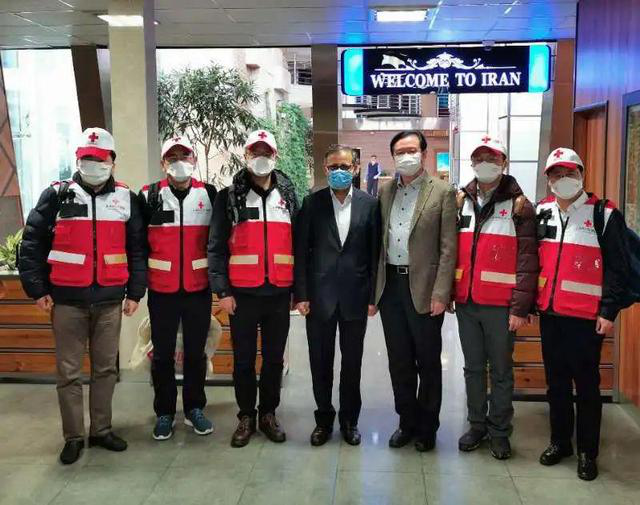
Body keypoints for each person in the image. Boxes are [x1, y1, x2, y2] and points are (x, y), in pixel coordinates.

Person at [18, 127, 146, 465]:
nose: (93, 164)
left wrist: (135, 293)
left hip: (109, 300)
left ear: (112, 161)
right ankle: (73, 436)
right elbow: (31, 244)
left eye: (99, 158)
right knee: (69, 372)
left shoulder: (126, 198)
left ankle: (101, 430)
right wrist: (37, 289)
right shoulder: (57, 195)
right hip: (66, 301)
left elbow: (137, 250)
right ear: (77, 159)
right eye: (86, 157)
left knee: (105, 369)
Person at [536, 148, 629, 481]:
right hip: (551, 314)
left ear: (582, 174)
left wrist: (609, 310)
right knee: (556, 384)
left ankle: (588, 452)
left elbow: (618, 268)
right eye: (556, 174)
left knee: (587, 386)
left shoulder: (604, 214)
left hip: (587, 318)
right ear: (548, 179)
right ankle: (560, 442)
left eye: (569, 173)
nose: (563, 179)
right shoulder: (541, 211)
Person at [208, 129, 298, 448]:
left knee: (274, 360)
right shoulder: (228, 197)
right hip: (242, 295)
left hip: (278, 294)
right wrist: (223, 292)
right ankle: (246, 415)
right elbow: (216, 247)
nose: (261, 157)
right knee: (244, 360)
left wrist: (298, 292)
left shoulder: (288, 196)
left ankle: (268, 414)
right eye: (255, 152)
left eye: (266, 152)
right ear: (245, 156)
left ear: (275, 156)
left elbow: (299, 245)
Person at [453, 136, 537, 460]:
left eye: (492, 158)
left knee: (501, 371)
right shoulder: (461, 200)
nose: (485, 164)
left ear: (504, 163)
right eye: (480, 158)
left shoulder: (520, 206)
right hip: (467, 302)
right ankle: (477, 425)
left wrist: (520, 307)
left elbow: (527, 261)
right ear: (472, 163)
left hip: (501, 307)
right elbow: (451, 250)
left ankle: (500, 431)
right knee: (473, 368)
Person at [374, 130, 457, 452]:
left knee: (428, 361)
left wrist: (441, 293)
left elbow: (448, 249)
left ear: (423, 154)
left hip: (425, 287)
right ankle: (406, 422)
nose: (406, 156)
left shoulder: (442, 192)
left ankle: (427, 427)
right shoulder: (384, 191)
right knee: (399, 361)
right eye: (400, 151)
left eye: (411, 150)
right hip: (391, 287)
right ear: (393, 156)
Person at [294, 144, 381, 447]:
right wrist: (301, 294)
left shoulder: (370, 205)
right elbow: (301, 252)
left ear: (356, 168)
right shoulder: (311, 203)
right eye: (333, 167)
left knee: (352, 363)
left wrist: (373, 297)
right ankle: (323, 420)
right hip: (319, 297)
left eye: (345, 166)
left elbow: (374, 254)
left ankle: (349, 420)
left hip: (356, 296)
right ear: (325, 169)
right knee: (320, 362)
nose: (339, 172)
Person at [139, 136, 217, 441]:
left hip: (198, 288)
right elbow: (137, 244)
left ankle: (195, 408)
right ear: (163, 164)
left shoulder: (208, 194)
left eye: (184, 156)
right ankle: (165, 413)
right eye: (172, 158)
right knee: (162, 355)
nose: (179, 163)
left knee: (196, 353)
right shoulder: (149, 196)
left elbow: (218, 241)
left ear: (194, 160)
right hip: (162, 290)